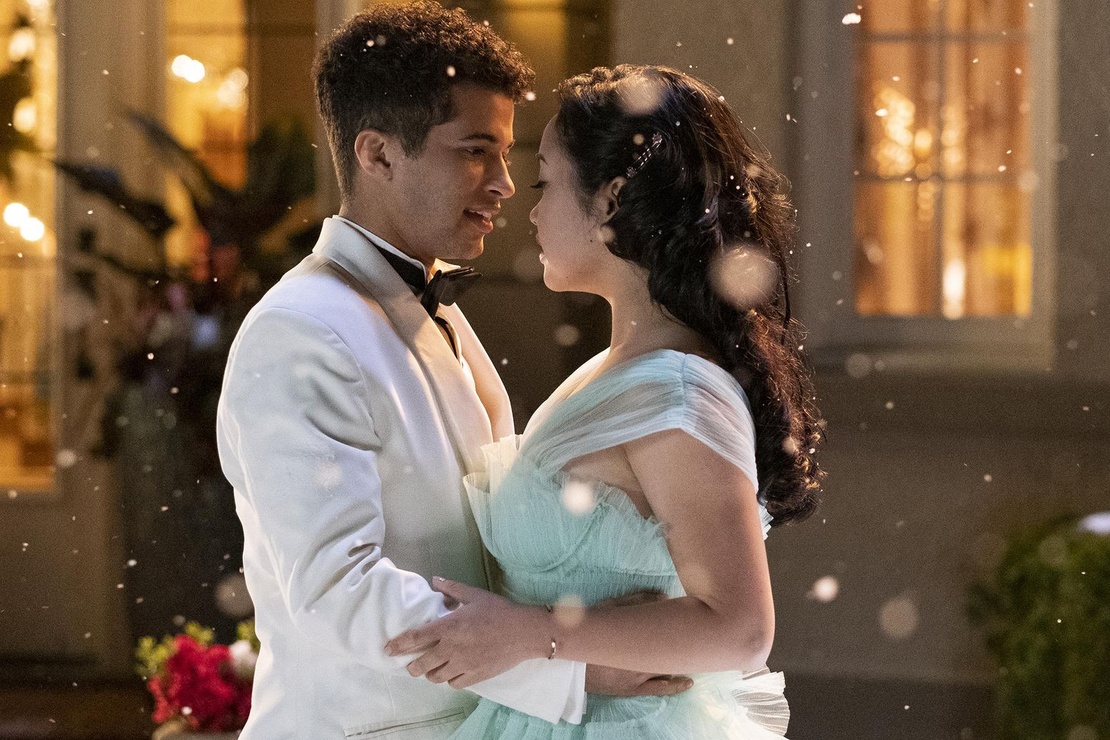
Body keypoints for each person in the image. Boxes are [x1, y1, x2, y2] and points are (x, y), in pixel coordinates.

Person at [216, 8, 685, 739]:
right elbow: (338, 589)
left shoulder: (430, 308)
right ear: (377, 155)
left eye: (505, 155)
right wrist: (567, 664)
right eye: (475, 152)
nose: (504, 184)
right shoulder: (300, 330)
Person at [384, 64, 825, 738]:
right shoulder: (615, 369)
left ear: (612, 199)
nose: (530, 212)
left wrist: (532, 634)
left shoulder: (677, 390)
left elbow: (740, 629)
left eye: (545, 184)